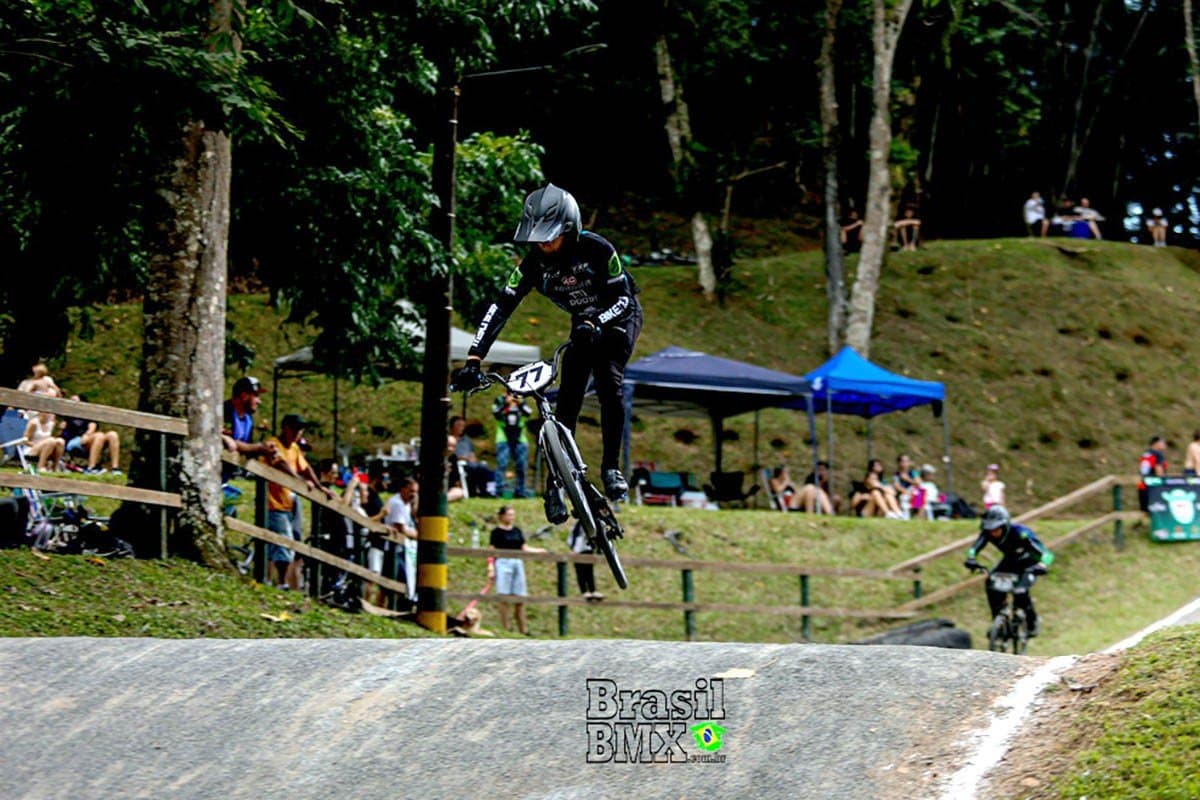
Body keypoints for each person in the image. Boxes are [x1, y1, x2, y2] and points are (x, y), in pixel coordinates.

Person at [452, 184, 643, 523]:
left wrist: (598, 321)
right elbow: (501, 307)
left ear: (569, 230)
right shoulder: (533, 264)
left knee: (607, 380)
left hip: (617, 318)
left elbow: (624, 300)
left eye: (551, 237)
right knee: (565, 400)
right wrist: (473, 358)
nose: (544, 245)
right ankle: (554, 486)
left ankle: (611, 469)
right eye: (537, 238)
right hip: (583, 323)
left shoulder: (598, 249)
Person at [260, 414, 335, 591]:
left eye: (300, 429)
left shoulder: (294, 448)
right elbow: (280, 464)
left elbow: (306, 468)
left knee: (293, 539)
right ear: (285, 427)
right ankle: (281, 582)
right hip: (274, 501)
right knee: (283, 540)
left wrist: (319, 487)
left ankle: (274, 580)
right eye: (294, 429)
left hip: (290, 501)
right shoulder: (273, 444)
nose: (297, 433)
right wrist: (297, 480)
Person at [963, 505, 1053, 637]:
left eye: (996, 529)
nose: (993, 533)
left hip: (1029, 563)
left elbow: (1047, 554)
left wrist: (1043, 565)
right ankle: (998, 621)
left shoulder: (1021, 533)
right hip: (1010, 560)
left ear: (1005, 525)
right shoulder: (987, 533)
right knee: (991, 584)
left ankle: (1032, 622)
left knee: (1020, 592)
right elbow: (974, 548)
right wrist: (971, 558)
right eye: (990, 529)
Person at [488, 504, 546, 635]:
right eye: (509, 515)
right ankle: (506, 628)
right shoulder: (496, 532)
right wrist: (491, 567)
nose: (511, 517)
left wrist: (538, 551)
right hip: (503, 563)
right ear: (502, 516)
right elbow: (492, 551)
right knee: (503, 596)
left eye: (513, 515)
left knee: (520, 597)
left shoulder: (517, 531)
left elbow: (523, 547)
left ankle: (523, 629)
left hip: (517, 562)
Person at [221, 377, 277, 478]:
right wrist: (259, 447)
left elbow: (247, 446)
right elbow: (231, 443)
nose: (259, 401)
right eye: (256, 396)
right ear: (244, 395)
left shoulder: (248, 419)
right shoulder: (224, 411)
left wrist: (265, 451)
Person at [60, 395, 121, 474]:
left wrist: (87, 434)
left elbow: (92, 427)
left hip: (88, 438)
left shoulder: (88, 414)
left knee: (113, 434)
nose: (71, 402)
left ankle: (115, 468)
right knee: (99, 435)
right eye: (70, 400)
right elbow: (62, 433)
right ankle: (91, 467)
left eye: (74, 400)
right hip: (73, 441)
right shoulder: (68, 416)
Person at [384, 476, 420, 608]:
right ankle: (396, 606)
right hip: (394, 548)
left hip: (403, 548)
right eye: (411, 491)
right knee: (402, 577)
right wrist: (420, 536)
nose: (413, 494)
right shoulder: (398, 503)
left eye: (416, 492)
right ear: (403, 489)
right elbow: (401, 528)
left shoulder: (406, 504)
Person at [492, 391, 533, 498]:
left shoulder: (522, 401)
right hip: (503, 437)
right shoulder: (499, 400)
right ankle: (498, 491)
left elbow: (529, 413)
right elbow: (496, 414)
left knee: (521, 466)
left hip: (520, 438)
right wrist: (505, 404)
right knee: (502, 465)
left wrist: (520, 404)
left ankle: (520, 491)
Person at [449, 415, 494, 498]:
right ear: (452, 427)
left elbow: (472, 454)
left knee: (483, 467)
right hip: (456, 465)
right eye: (459, 425)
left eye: (463, 426)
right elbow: (450, 456)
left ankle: (484, 491)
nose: (461, 428)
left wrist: (473, 461)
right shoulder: (449, 439)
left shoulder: (466, 440)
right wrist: (463, 458)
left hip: (470, 464)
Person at [568, 520, 603, 601]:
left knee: (589, 571)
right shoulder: (578, 525)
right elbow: (573, 536)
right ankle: (584, 591)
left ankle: (592, 590)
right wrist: (573, 549)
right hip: (577, 550)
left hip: (587, 549)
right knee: (581, 572)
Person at [1138, 435, 1168, 512]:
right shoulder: (1158, 454)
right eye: (1163, 442)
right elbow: (1159, 471)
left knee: (1145, 511)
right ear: (1156, 443)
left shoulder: (1146, 453)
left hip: (1143, 486)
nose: (1165, 445)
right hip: (1153, 487)